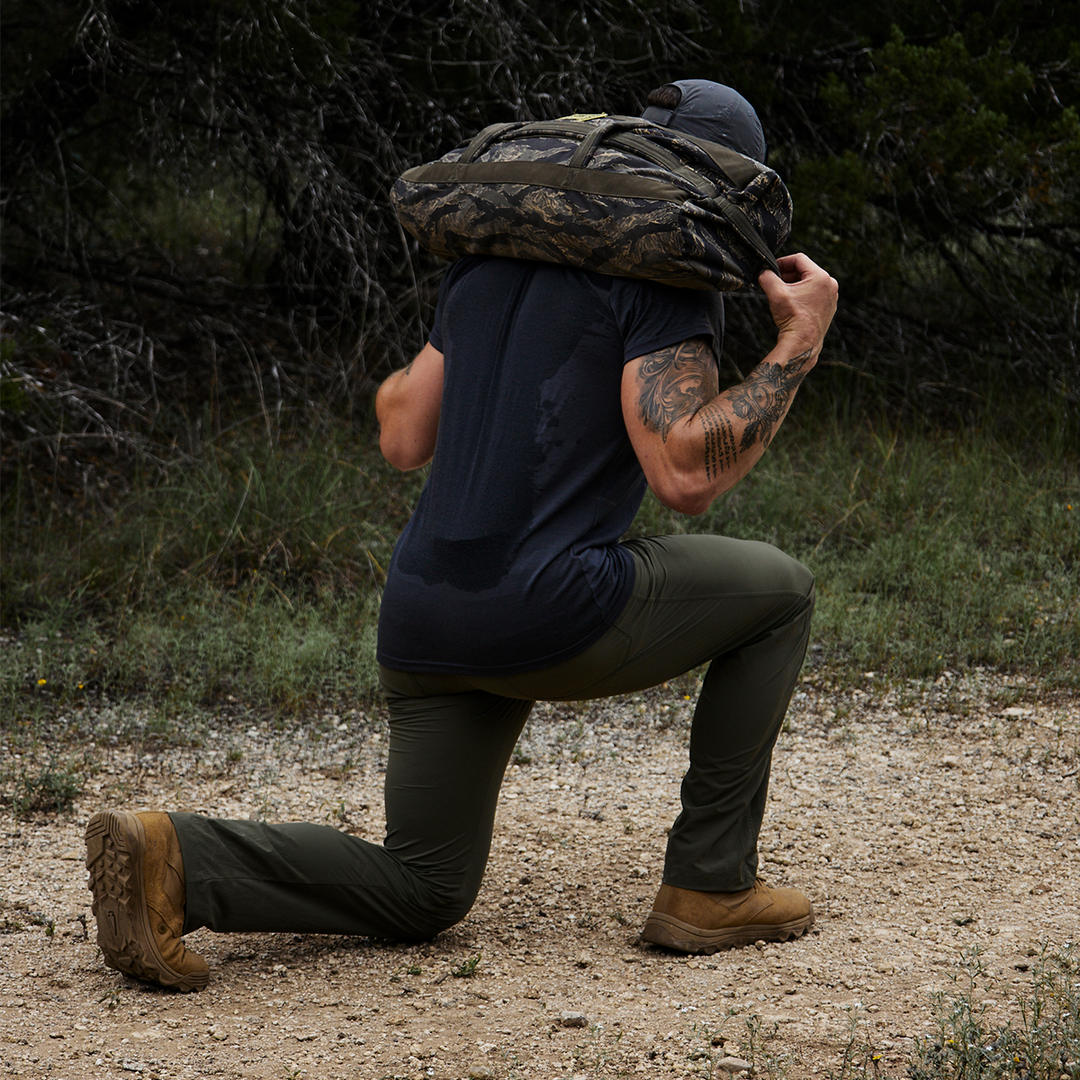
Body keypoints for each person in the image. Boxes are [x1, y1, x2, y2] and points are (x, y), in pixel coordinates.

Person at [85, 80, 838, 991]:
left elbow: (401, 432)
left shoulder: (488, 262)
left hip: (424, 614)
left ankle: (180, 858)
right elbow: (684, 475)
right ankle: (709, 886)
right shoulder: (664, 274)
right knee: (780, 592)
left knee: (425, 887)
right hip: (547, 612)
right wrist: (797, 345)